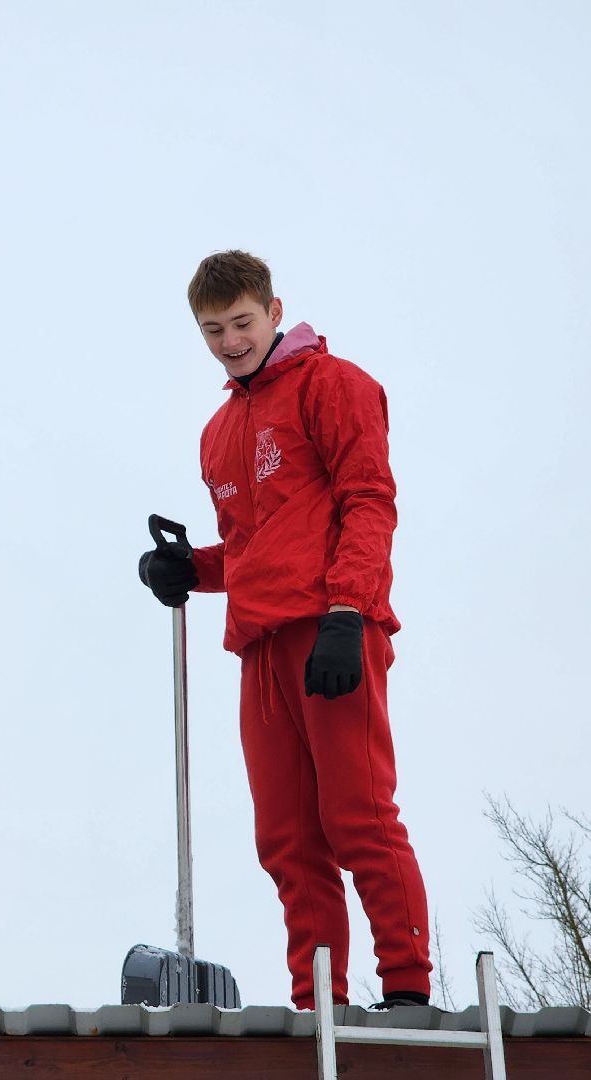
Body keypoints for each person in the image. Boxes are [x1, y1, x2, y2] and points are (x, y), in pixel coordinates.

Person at [138, 251, 431, 1011]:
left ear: (274, 311)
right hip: (260, 646)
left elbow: (368, 501)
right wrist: (191, 569)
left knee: (358, 816)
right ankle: (319, 1001)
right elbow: (255, 547)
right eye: (213, 331)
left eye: (241, 322)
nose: (230, 342)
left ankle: (406, 986)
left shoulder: (336, 385)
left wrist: (348, 611)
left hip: (333, 629)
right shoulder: (218, 430)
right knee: (287, 839)